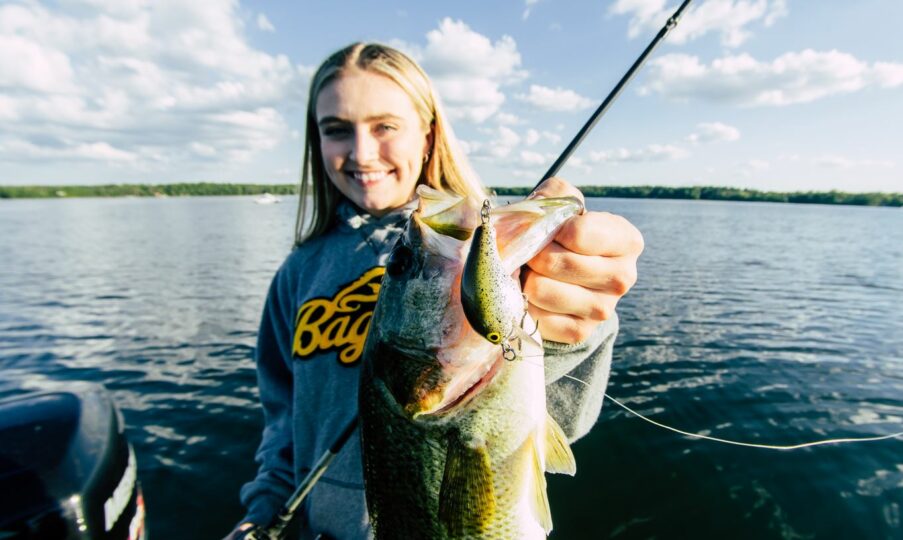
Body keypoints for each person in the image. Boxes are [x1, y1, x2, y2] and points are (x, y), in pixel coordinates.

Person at [226, 42, 643, 540]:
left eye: (385, 126)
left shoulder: (474, 250)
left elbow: (560, 419)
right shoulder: (297, 273)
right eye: (336, 130)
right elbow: (284, 422)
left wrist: (569, 322)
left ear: (428, 134)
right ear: (317, 143)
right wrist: (263, 509)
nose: (361, 153)